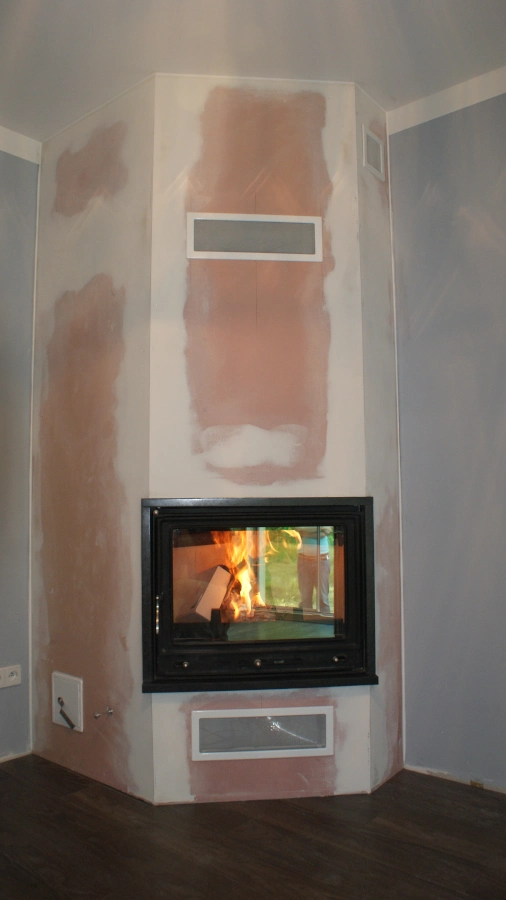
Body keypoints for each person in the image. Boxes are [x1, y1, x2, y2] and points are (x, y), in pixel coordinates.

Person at [297, 526, 333, 614]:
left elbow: (328, 530)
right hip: (304, 561)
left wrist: (306, 532)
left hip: (322, 560)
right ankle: (306, 620)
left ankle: (324, 621)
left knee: (323, 598)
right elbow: (298, 528)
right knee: (305, 598)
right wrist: (320, 529)